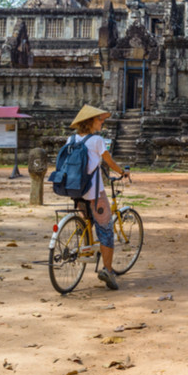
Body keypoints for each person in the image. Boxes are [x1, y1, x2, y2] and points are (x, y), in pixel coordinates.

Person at [68, 104, 128, 290]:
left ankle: (84, 244)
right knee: (106, 230)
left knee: (88, 222)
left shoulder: (70, 139)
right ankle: (107, 271)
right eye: (99, 119)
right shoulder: (97, 140)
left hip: (75, 191)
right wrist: (122, 171)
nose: (102, 122)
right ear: (91, 121)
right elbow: (109, 161)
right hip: (94, 192)